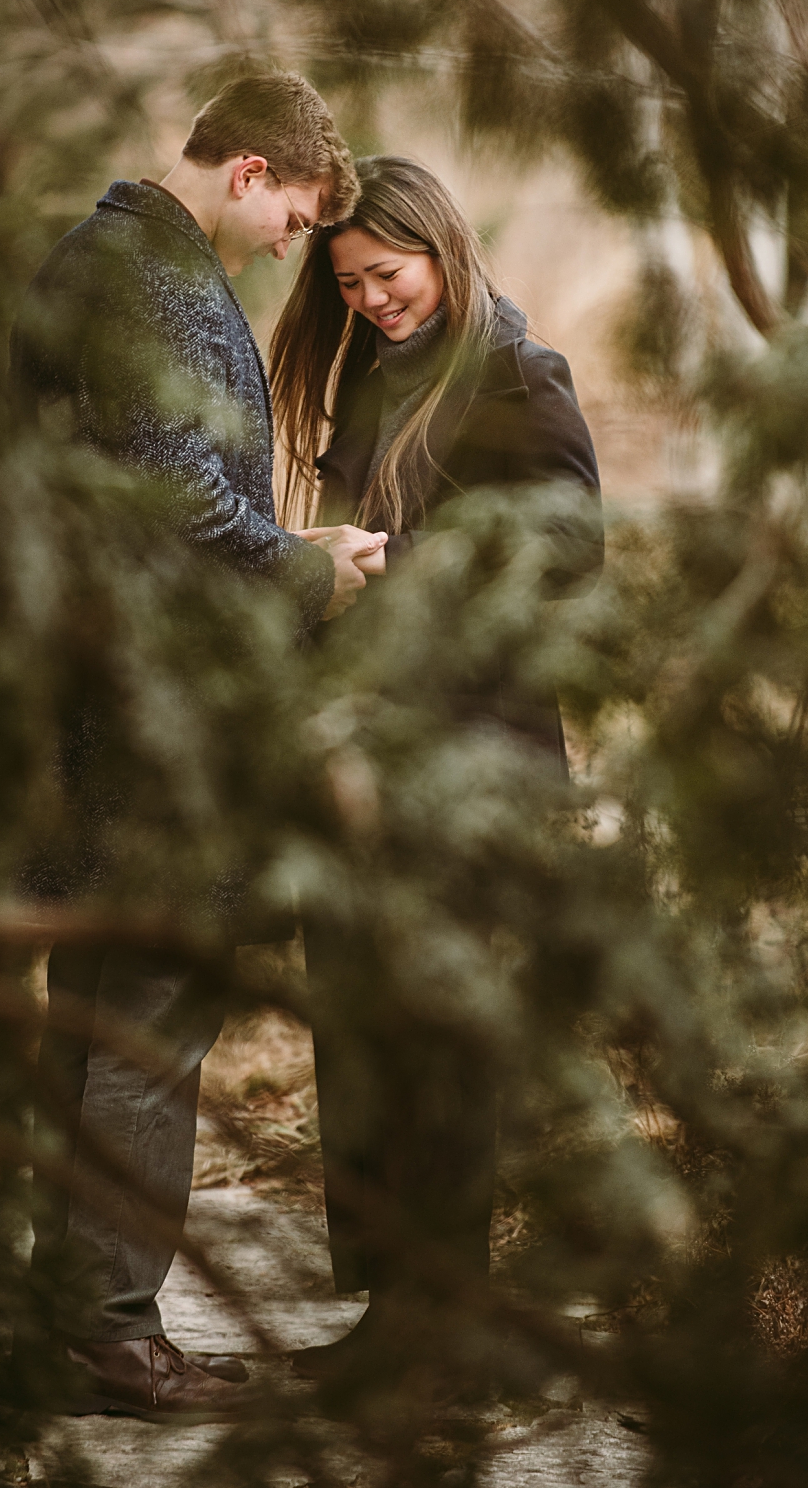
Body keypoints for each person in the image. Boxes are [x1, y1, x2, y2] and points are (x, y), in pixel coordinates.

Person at [10, 73, 387, 1419]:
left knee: (102, 1016)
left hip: (113, 718)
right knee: (148, 1024)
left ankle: (73, 1315)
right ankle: (108, 1329)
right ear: (246, 173)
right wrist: (305, 568)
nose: (299, 235)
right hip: (150, 734)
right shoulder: (144, 274)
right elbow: (171, 495)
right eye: (296, 204)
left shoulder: (127, 261)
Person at [268, 155, 602, 1394]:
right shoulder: (371, 378)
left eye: (386, 274)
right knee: (361, 1040)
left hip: (476, 765)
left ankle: (446, 1328)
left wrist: (397, 567)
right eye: (348, 283)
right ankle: (393, 1313)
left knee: (445, 1050)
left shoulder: (519, 375)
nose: (369, 300)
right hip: (364, 756)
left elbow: (569, 559)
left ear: (442, 250)